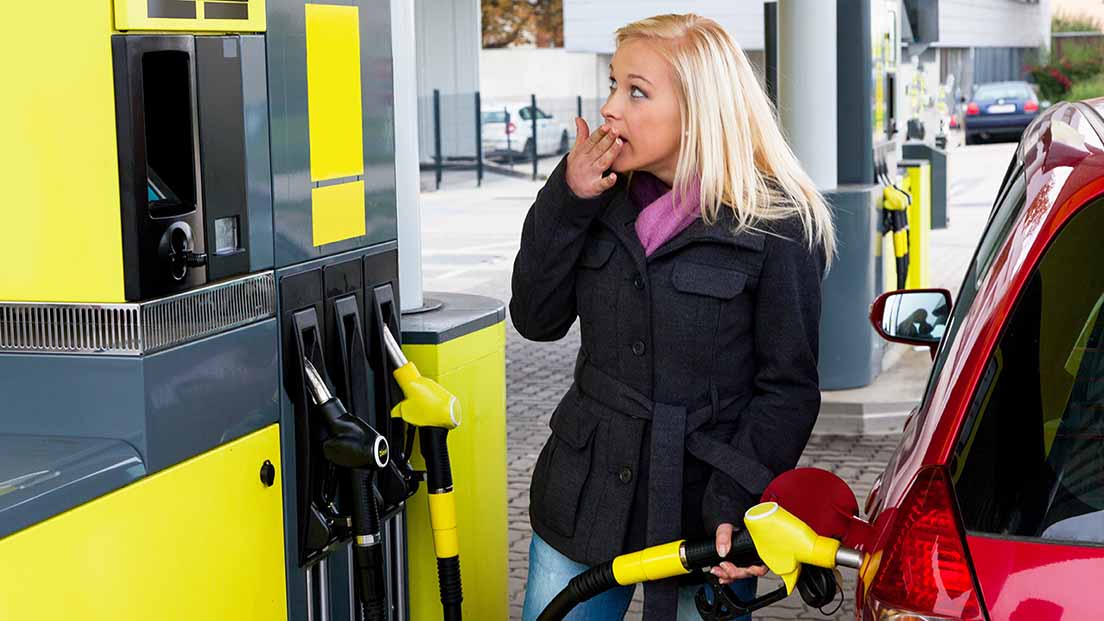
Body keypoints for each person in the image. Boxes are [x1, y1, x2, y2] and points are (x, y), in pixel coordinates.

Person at [510, 14, 836, 621]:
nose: (610, 107)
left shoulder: (777, 224)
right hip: (585, 494)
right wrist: (567, 199)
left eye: (636, 92)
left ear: (699, 109)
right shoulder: (592, 192)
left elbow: (787, 389)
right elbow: (535, 319)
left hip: (707, 514)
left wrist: (738, 501)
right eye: (613, 84)